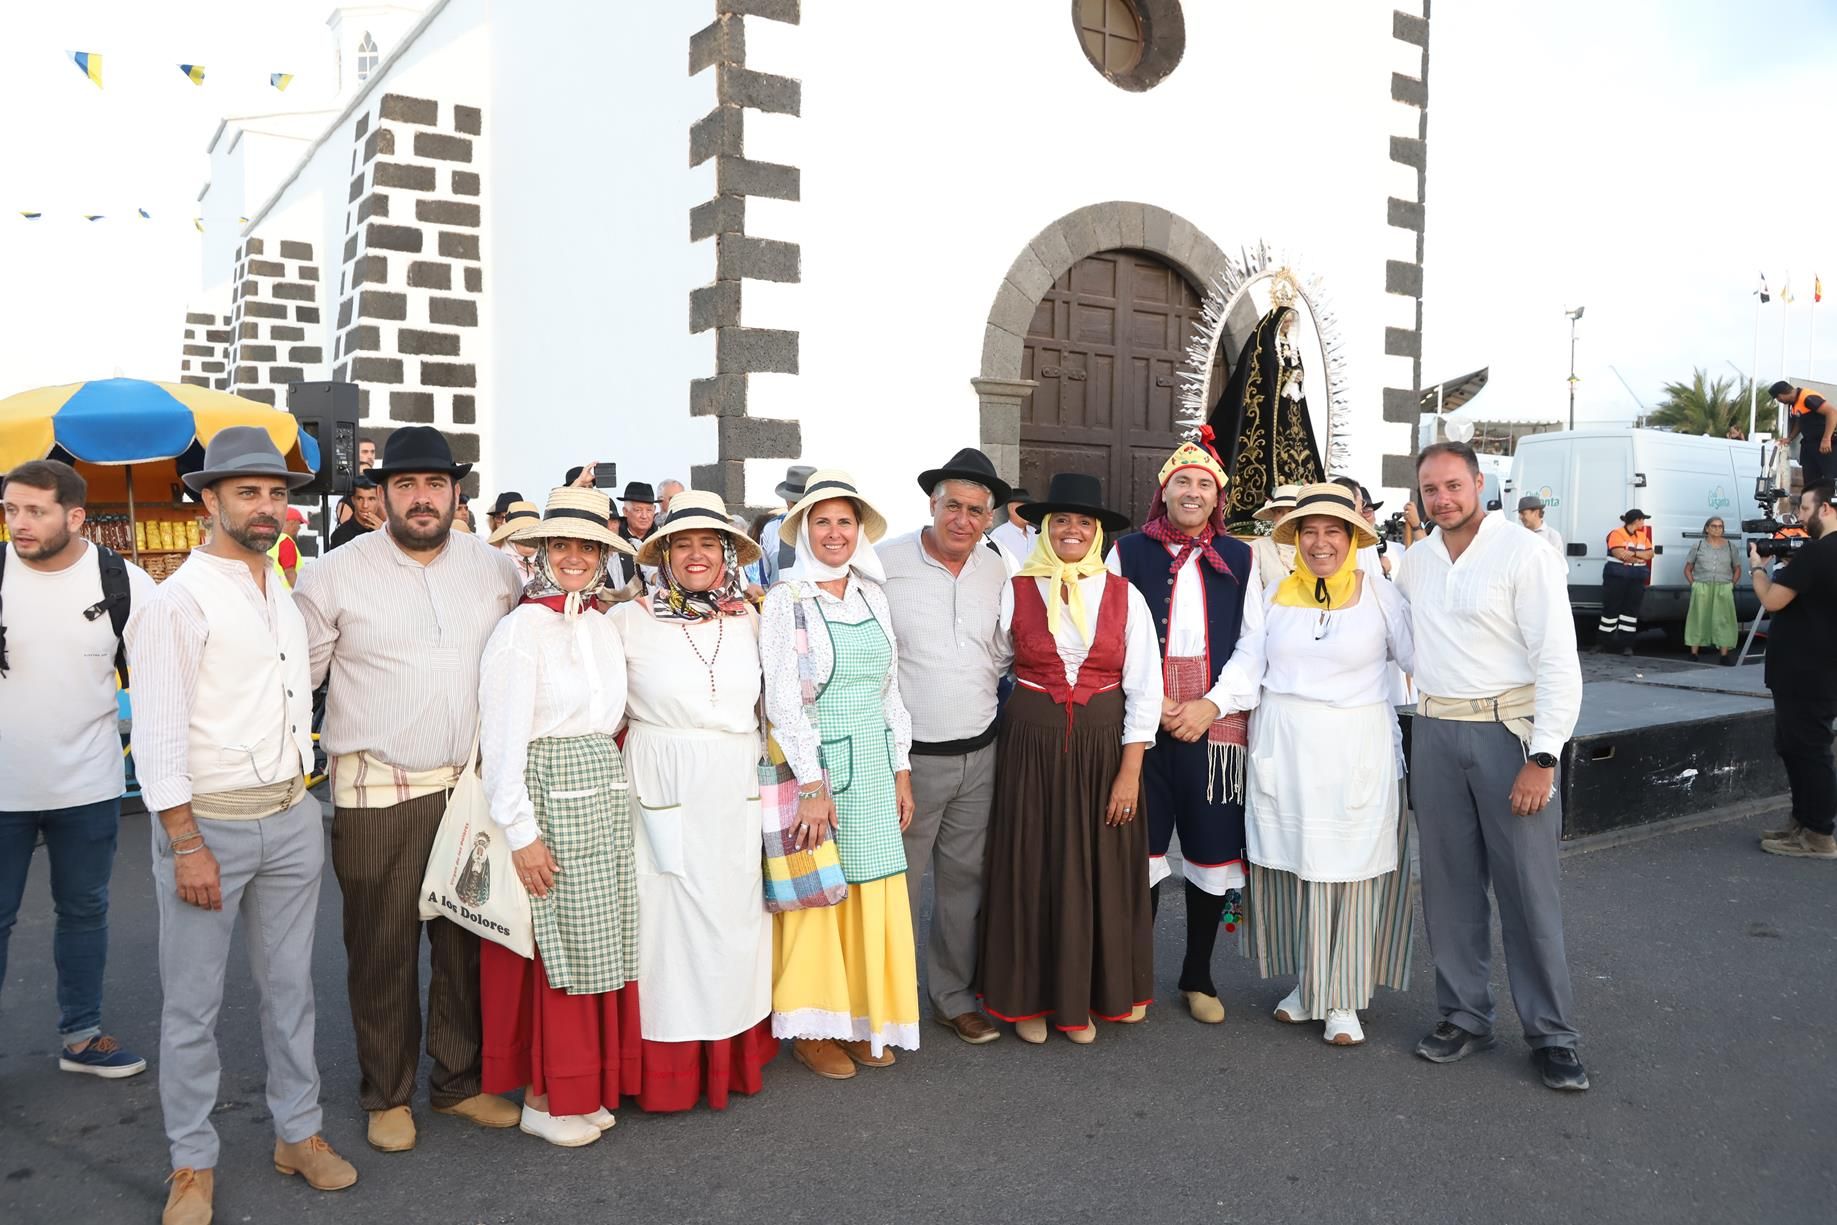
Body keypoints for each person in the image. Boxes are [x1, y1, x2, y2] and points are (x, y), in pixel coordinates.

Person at [127, 427, 357, 1223]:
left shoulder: (280, 590)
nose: (267, 506)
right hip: (209, 829)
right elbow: (155, 741)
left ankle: (299, 1132)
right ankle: (191, 1161)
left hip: (293, 815)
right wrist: (185, 842)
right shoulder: (174, 603)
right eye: (249, 492)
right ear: (209, 498)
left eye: (276, 493)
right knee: (191, 1006)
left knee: (291, 991)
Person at [292, 426, 526, 1153]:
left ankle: (457, 1083)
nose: (420, 498)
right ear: (379, 495)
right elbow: (299, 678)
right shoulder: (332, 573)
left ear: (457, 492)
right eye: (404, 485)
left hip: (468, 792)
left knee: (463, 944)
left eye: (434, 485)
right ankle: (386, 1091)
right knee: (381, 948)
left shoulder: (497, 569)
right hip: (376, 791)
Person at [1397, 441, 1588, 1092]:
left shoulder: (1523, 552)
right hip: (1434, 730)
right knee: (1448, 887)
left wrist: (1543, 755)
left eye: (1453, 484)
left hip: (1509, 735)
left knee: (1528, 891)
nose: (1442, 498)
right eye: (1430, 489)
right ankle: (1463, 1015)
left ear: (1480, 482)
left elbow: (1558, 660)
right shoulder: (1414, 561)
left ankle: (1552, 1034)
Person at [1216, 483, 1416, 1046]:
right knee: (1296, 868)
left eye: (1334, 531)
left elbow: (1423, 658)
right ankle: (1309, 985)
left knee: (1350, 870)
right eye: (1310, 532)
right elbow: (1246, 662)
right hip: (1287, 748)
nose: (1321, 542)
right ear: (1296, 540)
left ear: (1353, 538)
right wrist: (1211, 704)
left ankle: (1345, 998)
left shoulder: (1381, 596)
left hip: (1356, 749)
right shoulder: (1276, 595)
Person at [478, 487, 641, 1147]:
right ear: (541, 551)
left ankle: (584, 1084)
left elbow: (613, 719)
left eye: (587, 546)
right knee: (555, 951)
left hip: (600, 794)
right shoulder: (521, 630)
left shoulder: (601, 624)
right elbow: (502, 744)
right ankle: (546, 1094)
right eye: (562, 545)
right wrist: (522, 834)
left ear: (603, 554)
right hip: (547, 795)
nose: (575, 557)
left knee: (597, 944)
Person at [980, 472, 1163, 1044]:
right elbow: (990, 665)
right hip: (1030, 744)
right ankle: (1030, 999)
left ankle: (1088, 997)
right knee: (1031, 865)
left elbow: (1146, 687)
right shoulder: (1015, 588)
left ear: (1099, 533)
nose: (1072, 530)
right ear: (1044, 527)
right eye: (1062, 520)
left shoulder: (1122, 594)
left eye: (1084, 522)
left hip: (1104, 746)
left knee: (1098, 870)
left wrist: (1129, 772)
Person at [612, 490, 782, 1107]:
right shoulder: (627, 620)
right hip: (661, 778)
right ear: (662, 554)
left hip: (735, 780)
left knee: (734, 918)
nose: (696, 555)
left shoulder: (752, 619)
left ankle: (731, 1059)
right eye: (682, 544)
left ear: (728, 553)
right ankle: (665, 1070)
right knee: (666, 927)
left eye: (709, 544)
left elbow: (776, 706)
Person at [760, 470, 919, 1078]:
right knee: (818, 893)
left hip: (875, 768)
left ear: (858, 532)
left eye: (844, 522)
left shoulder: (872, 596)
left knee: (871, 889)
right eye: (821, 521)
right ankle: (812, 1026)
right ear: (803, 531)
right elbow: (784, 701)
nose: (834, 533)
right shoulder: (786, 602)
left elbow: (889, 692)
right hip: (820, 767)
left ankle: (861, 1015)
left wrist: (901, 769)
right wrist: (812, 785)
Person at [0, 459, 155, 1080]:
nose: (20, 523)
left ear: (75, 515)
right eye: (11, 510)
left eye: (35, 510)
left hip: (89, 785)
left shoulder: (123, 582)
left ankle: (82, 1036)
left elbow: (161, 679)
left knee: (85, 910)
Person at [1108, 438, 1257, 1025]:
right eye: (1183, 483)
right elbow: (1109, 632)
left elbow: (1254, 645)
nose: (1192, 493)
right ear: (1163, 491)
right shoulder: (1126, 552)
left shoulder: (1241, 558)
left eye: (1204, 485)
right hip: (1144, 722)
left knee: (1211, 853)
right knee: (1137, 852)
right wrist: (1160, 701)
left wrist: (1210, 704)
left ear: (1216, 497)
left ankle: (1199, 974)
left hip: (1214, 731)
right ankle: (1134, 976)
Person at [880, 447, 1013, 1046]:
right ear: (932, 506)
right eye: (952, 506)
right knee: (896, 883)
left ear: (991, 517)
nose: (963, 519)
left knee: (965, 884)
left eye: (976, 510)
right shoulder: (883, 566)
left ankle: (953, 997)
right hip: (911, 760)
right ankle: (889, 1002)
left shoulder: (1000, 568)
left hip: (981, 752)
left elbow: (1006, 651)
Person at [1750, 481, 1837, 859]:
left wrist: (1757, 568)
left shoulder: (1817, 554)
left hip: (1805, 671)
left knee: (1809, 752)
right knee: (1796, 748)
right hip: (1818, 669)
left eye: (1804, 509)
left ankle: (1818, 834)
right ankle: (1803, 822)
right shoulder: (1818, 555)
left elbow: (1772, 600)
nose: (1800, 518)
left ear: (1826, 509)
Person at [1683, 516, 1741, 664]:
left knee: (1724, 620)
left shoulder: (1730, 546)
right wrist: (1694, 584)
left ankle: (1724, 654)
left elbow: (1737, 569)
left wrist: (1732, 584)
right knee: (1698, 618)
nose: (1717, 529)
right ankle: (1694, 652)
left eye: (1720, 526)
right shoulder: (1698, 546)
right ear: (1707, 528)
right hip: (1702, 586)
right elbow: (1688, 569)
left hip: (1723, 587)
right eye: (1714, 526)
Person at [1598, 508, 1653, 655]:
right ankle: (1605, 644)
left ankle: (1626, 645)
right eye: (1643, 519)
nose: (1644, 522)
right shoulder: (1616, 534)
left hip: (1635, 578)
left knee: (1630, 612)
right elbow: (1620, 554)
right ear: (1637, 520)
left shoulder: (1642, 536)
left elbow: (1650, 553)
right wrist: (1639, 556)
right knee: (1611, 610)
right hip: (1616, 578)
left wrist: (1634, 554)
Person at [757, 464, 814, 588]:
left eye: (806, 503)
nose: (801, 509)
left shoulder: (830, 530)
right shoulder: (771, 529)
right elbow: (764, 577)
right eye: (796, 503)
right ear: (787, 501)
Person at [1771, 380, 1837, 488]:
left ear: (1781, 395)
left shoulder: (1807, 397)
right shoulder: (1794, 404)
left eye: (1778, 398)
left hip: (1826, 445)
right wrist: (1790, 438)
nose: (1779, 401)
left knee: (1830, 479)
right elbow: (1800, 421)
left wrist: (1826, 439)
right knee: (1810, 482)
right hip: (1809, 444)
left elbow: (1832, 412)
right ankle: (1811, 502)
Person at [1249, 484, 1300, 586]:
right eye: (1279, 511)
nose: (1285, 517)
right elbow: (1253, 590)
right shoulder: (1257, 548)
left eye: (1291, 511)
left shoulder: (1315, 546)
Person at [612, 482, 659, 586]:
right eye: (638, 510)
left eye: (649, 510)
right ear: (625, 511)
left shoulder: (662, 539)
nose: (644, 516)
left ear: (655, 510)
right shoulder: (614, 541)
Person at [487, 499, 542, 583]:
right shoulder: (494, 562)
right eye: (522, 530)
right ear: (510, 533)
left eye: (533, 530)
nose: (529, 537)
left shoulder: (549, 560)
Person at [327, 476, 381, 550]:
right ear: (353, 500)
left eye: (371, 499)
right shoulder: (341, 535)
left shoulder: (385, 531)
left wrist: (385, 536)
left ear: (379, 501)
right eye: (360, 498)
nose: (365, 505)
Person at [988, 484, 1035, 565]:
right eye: (1024, 508)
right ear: (1011, 509)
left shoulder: (1036, 533)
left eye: (1029, 508)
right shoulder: (999, 535)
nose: (1028, 512)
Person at [270, 507, 304, 586]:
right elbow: (289, 572)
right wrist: (299, 593)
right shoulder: (286, 541)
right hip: (286, 593)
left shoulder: (273, 539)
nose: (299, 528)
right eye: (298, 524)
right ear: (292, 523)